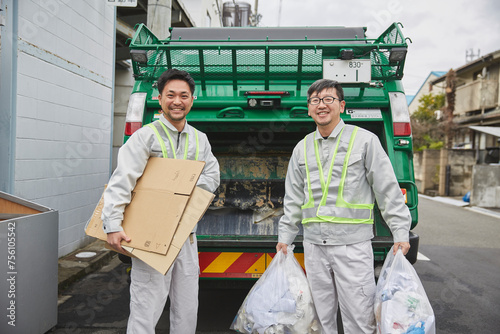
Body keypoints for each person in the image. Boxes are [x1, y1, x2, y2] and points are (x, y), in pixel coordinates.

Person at [276, 79, 411, 333]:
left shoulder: (365, 141)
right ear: (308, 108)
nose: (321, 105)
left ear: (342, 106)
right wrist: (285, 236)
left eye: (329, 99)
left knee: (359, 320)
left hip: (352, 247)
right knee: (320, 320)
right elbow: (293, 198)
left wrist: (400, 232)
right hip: (315, 247)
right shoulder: (301, 148)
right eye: (315, 100)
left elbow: (387, 190)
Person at [101, 69, 220, 334]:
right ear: (159, 98)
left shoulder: (200, 139)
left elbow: (212, 175)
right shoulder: (146, 136)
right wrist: (112, 224)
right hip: (150, 235)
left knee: (187, 307)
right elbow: (122, 180)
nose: (177, 101)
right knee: (146, 306)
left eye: (183, 96)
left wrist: (183, 194)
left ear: (192, 100)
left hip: (185, 237)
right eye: (171, 95)